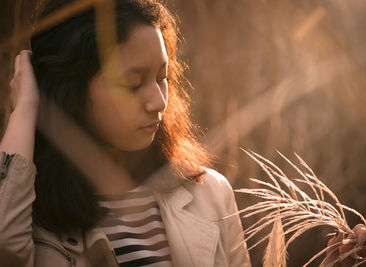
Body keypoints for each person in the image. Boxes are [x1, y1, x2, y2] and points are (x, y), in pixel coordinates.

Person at [0, 0, 251, 266]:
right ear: (71, 90)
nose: (159, 102)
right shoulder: (29, 209)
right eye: (132, 83)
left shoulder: (210, 194)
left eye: (162, 77)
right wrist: (27, 108)